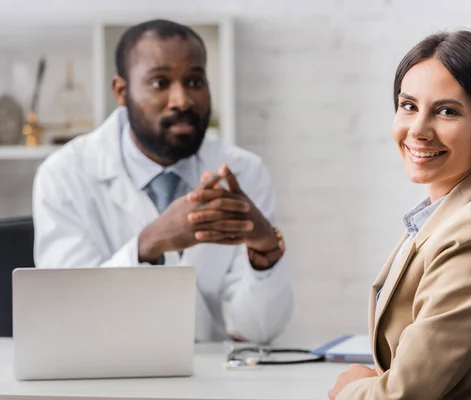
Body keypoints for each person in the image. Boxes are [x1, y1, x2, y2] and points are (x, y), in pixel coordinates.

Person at [32, 19, 293, 344]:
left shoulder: (244, 172)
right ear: (121, 91)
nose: (182, 100)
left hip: (208, 382)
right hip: (100, 378)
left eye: (195, 80)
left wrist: (266, 250)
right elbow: (65, 315)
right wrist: (149, 243)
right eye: (160, 83)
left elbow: (258, 331)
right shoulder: (64, 175)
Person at [329, 30, 471, 399]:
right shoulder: (463, 215)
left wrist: (350, 388)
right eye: (408, 106)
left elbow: (403, 395)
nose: (418, 130)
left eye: (446, 111)